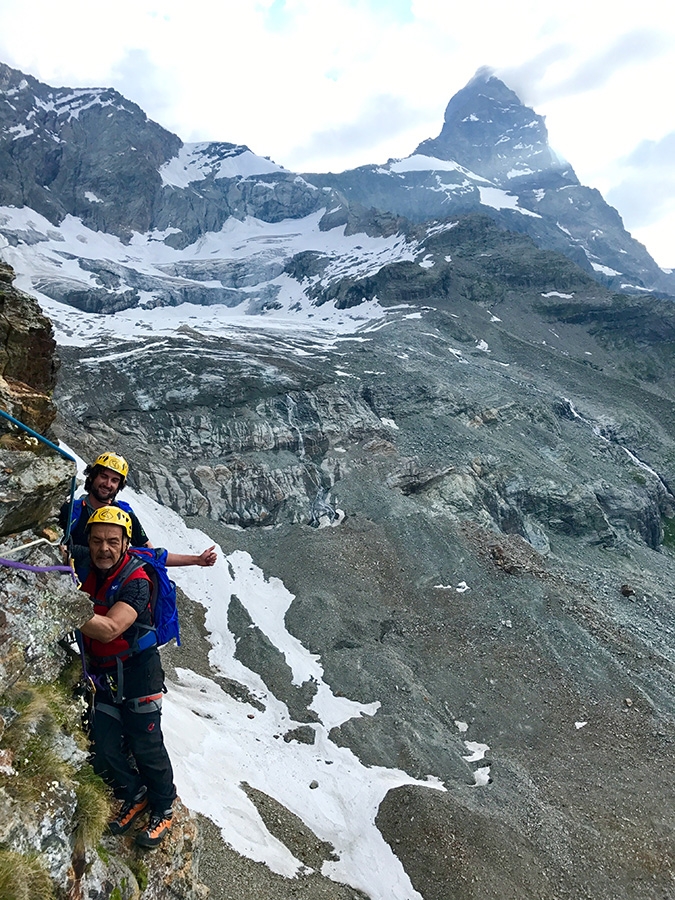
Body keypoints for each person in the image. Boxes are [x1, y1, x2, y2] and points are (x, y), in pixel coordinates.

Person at [74, 505, 217, 847]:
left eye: (112, 541)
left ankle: (163, 809)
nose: (103, 549)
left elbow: (110, 629)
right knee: (106, 745)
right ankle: (135, 793)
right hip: (104, 673)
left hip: (139, 672)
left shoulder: (137, 580)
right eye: (97, 541)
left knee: (146, 745)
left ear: (125, 543)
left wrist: (63, 605)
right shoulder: (86, 562)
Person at [59, 451, 151, 548]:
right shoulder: (69, 510)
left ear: (119, 485)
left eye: (114, 480)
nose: (107, 484)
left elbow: (148, 551)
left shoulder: (125, 514)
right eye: (103, 476)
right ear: (91, 477)